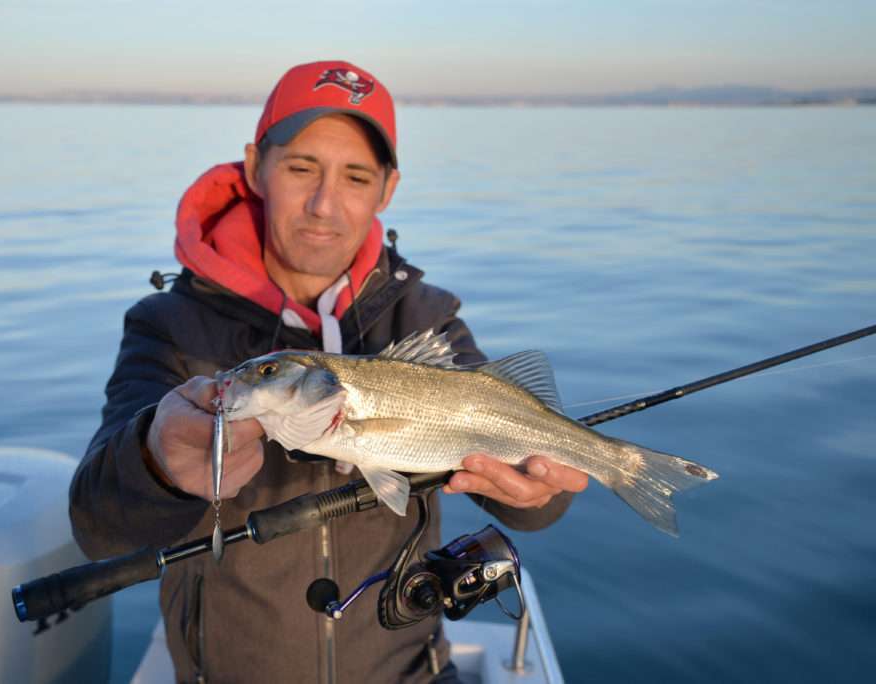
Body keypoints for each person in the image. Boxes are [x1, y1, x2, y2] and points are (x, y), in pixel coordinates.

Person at [69, 60, 588, 684]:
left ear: (387, 189)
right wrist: (156, 461)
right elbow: (97, 526)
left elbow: (525, 494)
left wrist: (537, 493)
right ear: (256, 164)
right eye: (300, 168)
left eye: (355, 176)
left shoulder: (427, 319)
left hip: (410, 671)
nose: (323, 205)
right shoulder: (171, 326)